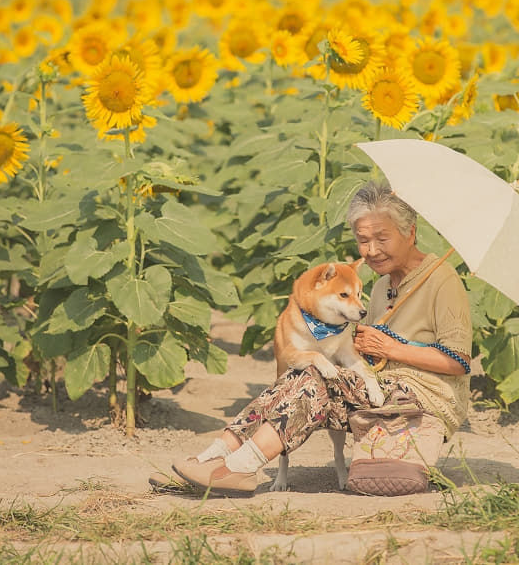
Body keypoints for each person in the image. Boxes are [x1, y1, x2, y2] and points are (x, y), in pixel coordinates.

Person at [150, 181, 472, 495]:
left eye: (382, 239)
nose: (371, 250)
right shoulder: (377, 286)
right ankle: (214, 459)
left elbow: (457, 362)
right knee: (298, 374)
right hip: (377, 389)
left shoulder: (442, 280)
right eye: (363, 240)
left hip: (423, 396)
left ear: (410, 232)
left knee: (315, 377)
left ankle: (240, 467)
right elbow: (370, 356)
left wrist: (392, 348)